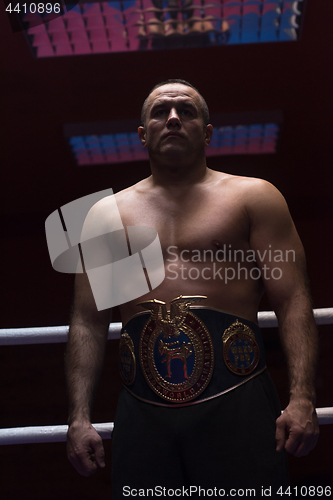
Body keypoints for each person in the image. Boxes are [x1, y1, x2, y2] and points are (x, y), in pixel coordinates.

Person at [66, 79, 319, 497]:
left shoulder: (253, 196)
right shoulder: (106, 215)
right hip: (142, 410)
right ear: (143, 134)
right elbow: (88, 320)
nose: (173, 119)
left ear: (207, 131)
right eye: (160, 112)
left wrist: (303, 398)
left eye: (186, 111)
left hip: (238, 400)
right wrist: (78, 416)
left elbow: (293, 300)